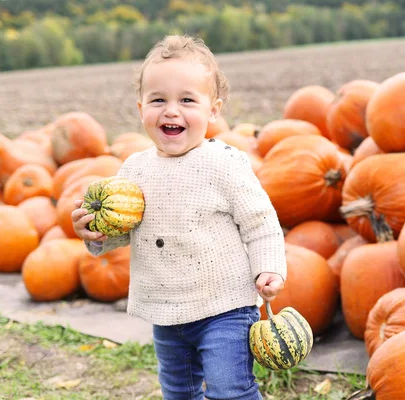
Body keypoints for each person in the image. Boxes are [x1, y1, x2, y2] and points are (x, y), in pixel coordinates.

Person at [71, 34, 287, 400]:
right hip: (166, 311)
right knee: (178, 391)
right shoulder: (133, 170)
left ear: (213, 109)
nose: (171, 111)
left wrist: (269, 268)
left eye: (187, 100)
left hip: (225, 308)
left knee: (229, 389)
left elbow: (260, 223)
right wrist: (95, 234)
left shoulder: (225, 163)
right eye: (158, 100)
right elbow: (124, 230)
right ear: (141, 108)